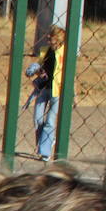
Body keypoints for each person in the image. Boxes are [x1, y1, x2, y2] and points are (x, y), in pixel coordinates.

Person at [34, 25, 66, 161]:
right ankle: (45, 142)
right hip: (43, 89)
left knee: (50, 122)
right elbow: (39, 68)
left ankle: (45, 152)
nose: (48, 37)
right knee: (37, 119)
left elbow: (70, 75)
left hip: (57, 91)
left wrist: (72, 95)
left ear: (57, 38)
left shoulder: (65, 53)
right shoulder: (44, 51)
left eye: (51, 36)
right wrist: (38, 71)